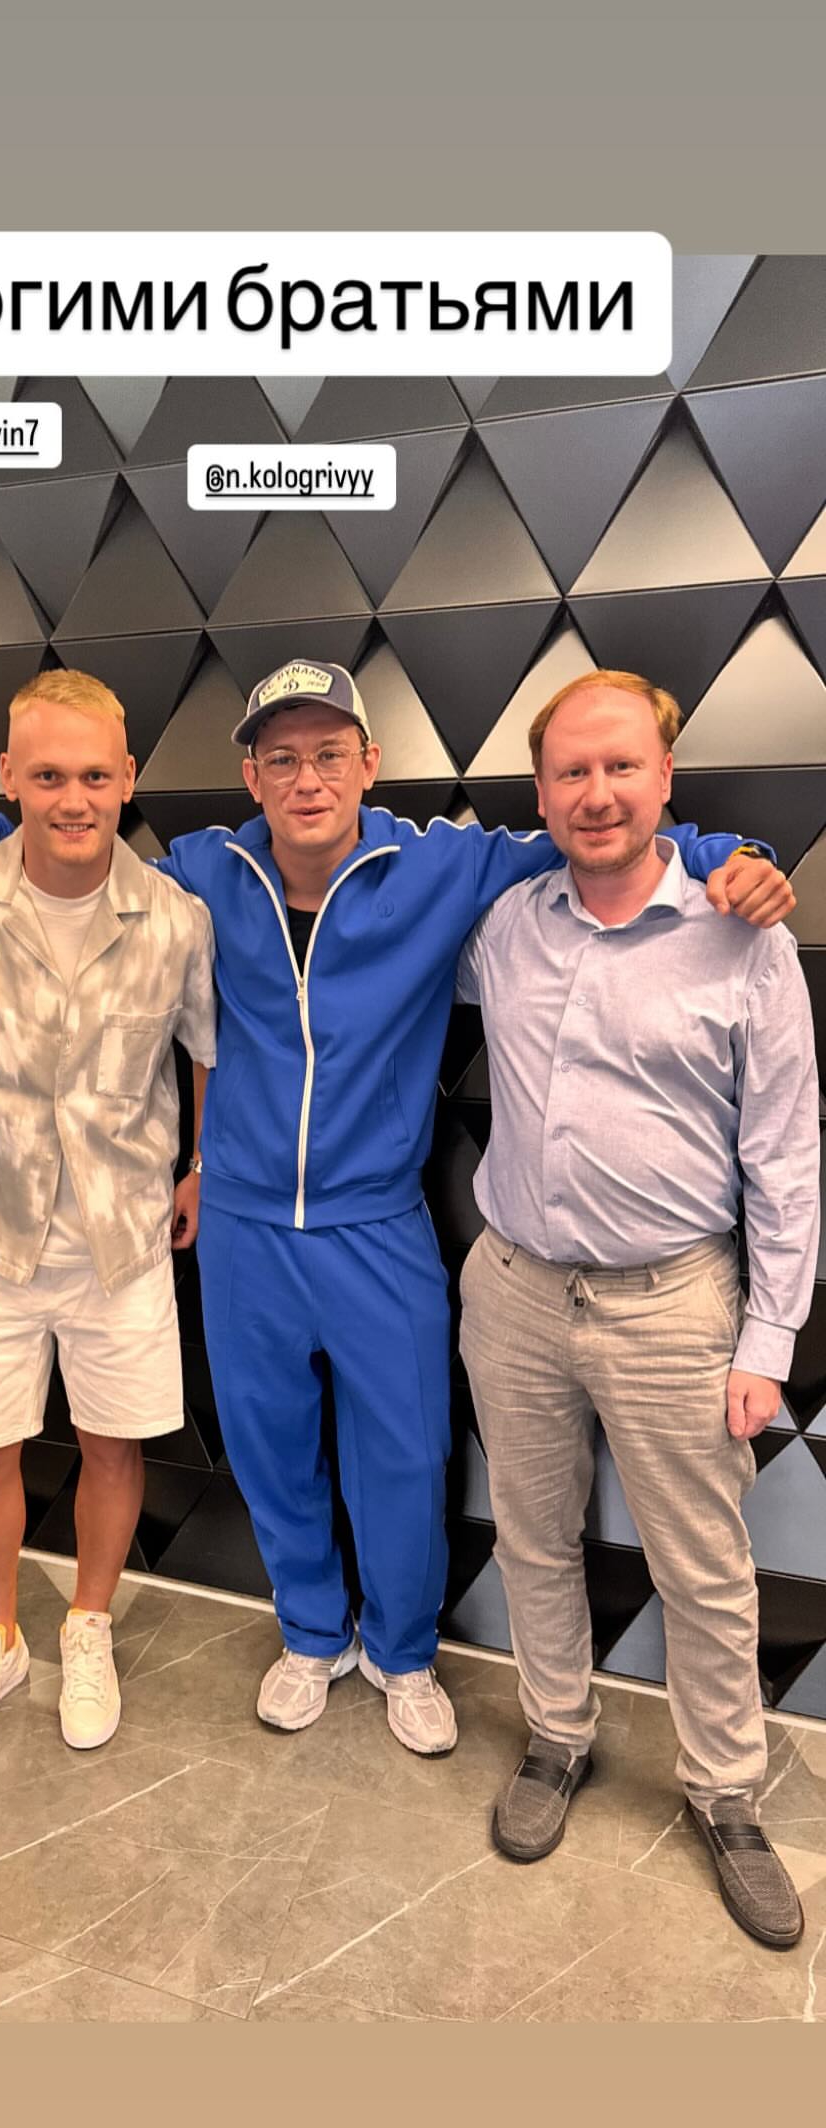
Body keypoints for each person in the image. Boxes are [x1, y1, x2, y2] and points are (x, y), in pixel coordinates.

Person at [0, 660, 790, 1759]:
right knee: (271, 1447)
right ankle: (311, 1635)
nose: (308, 778)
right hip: (242, 1227)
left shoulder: (442, 863)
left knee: (404, 1455)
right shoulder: (203, 869)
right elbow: (79, 854)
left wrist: (728, 854)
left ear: (369, 763)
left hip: (378, 1222)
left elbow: (610, 838)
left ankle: (404, 1652)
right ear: (252, 774)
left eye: (330, 753)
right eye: (282, 757)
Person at [455, 669, 818, 1949]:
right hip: (513, 1290)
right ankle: (558, 1734)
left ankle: (726, 1791)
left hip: (675, 1306)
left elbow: (786, 1157)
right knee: (533, 1536)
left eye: (622, 767)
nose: (597, 793)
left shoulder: (746, 937)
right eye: (572, 771)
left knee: (703, 1568)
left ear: (667, 777)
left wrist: (768, 1340)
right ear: (541, 789)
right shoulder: (505, 926)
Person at [0, 670, 215, 1763]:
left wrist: (198, 1164)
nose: (72, 799)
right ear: (9, 777)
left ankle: (88, 1625)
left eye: (92, 776)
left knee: (111, 1445)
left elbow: (202, 1049)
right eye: (46, 776)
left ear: (127, 778)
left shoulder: (176, 916)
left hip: (123, 1235)